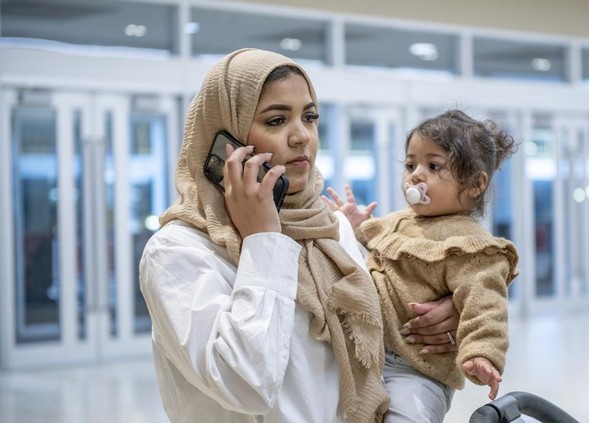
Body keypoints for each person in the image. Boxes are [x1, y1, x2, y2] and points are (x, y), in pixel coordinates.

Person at [138, 48, 460, 423]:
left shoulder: (331, 229)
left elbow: (382, 356)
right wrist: (262, 239)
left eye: (310, 117)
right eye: (276, 120)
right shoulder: (177, 251)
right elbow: (246, 384)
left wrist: (435, 317)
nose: (302, 136)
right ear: (227, 141)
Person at [323, 109, 520, 422]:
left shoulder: (471, 246)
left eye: (433, 165)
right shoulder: (397, 222)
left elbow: (486, 307)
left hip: (416, 370)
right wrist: (353, 225)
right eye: (411, 164)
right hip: (365, 356)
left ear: (474, 184)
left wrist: (482, 353)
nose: (415, 175)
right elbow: (368, 241)